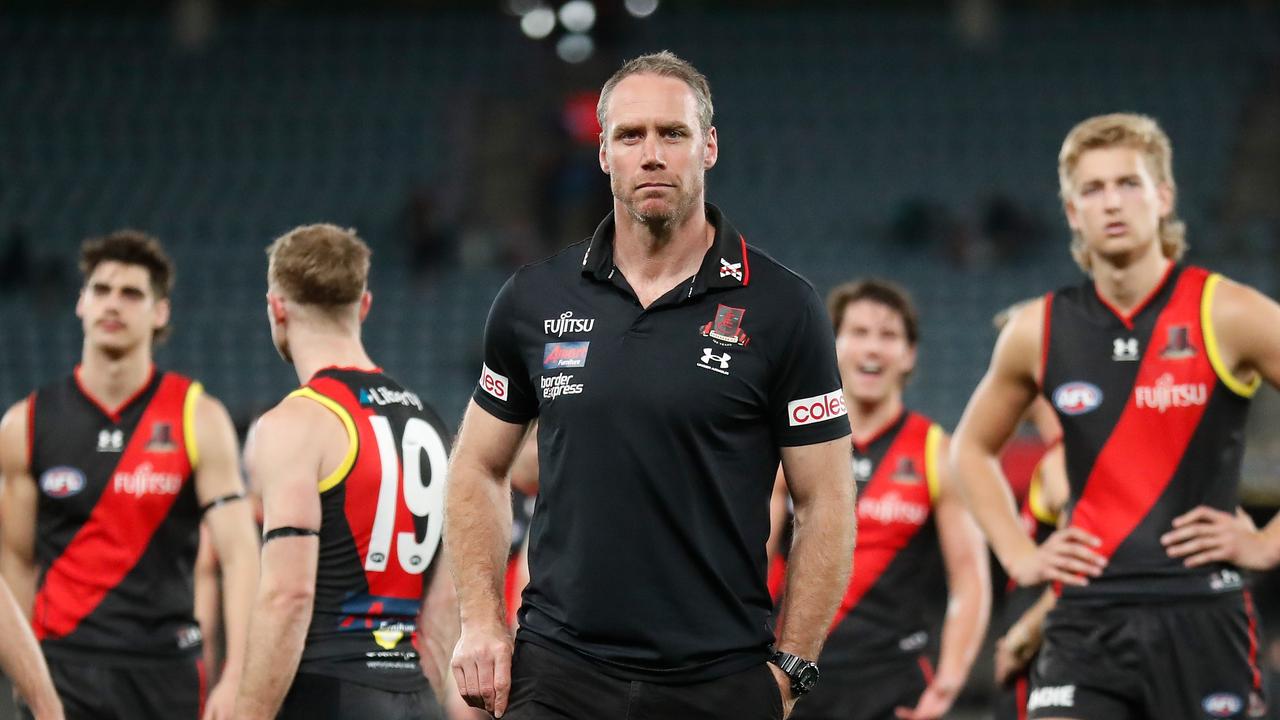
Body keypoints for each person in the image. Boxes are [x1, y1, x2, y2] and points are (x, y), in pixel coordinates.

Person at [446, 51, 855, 720]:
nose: (653, 154)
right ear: (604, 152)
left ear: (710, 147)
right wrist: (482, 622)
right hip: (559, 675)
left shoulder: (784, 306)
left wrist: (793, 666)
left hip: (719, 681)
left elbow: (828, 501)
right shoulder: (534, 298)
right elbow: (477, 467)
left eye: (674, 133)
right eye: (631, 136)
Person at [952, 112, 1280, 719]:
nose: (1112, 203)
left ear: (1164, 196)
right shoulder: (1037, 329)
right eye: (1092, 189)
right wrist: (1020, 557)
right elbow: (967, 450)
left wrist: (1267, 542)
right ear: (1072, 212)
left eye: (1129, 183)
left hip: (1203, 613)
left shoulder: (1228, 311)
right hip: (1086, 620)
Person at [0, 230, 260, 720]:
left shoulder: (197, 418)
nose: (112, 304)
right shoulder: (26, 424)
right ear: (80, 303)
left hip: (167, 672)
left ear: (160, 313)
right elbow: (14, 561)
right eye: (100, 290)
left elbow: (241, 556)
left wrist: (238, 674)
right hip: (64, 672)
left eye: (132, 293)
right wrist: (25, 677)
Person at [234, 224, 457, 720]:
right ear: (364, 306)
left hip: (328, 690)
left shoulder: (295, 423)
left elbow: (288, 596)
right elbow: (448, 597)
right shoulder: (430, 421)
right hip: (415, 695)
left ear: (277, 308)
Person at [785, 279, 990, 720]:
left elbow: (970, 577)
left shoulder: (939, 451)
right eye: (858, 333)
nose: (872, 349)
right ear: (833, 345)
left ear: (909, 354)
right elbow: (754, 554)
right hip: (793, 672)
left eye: (888, 335)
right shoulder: (793, 444)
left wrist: (949, 679)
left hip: (892, 682)